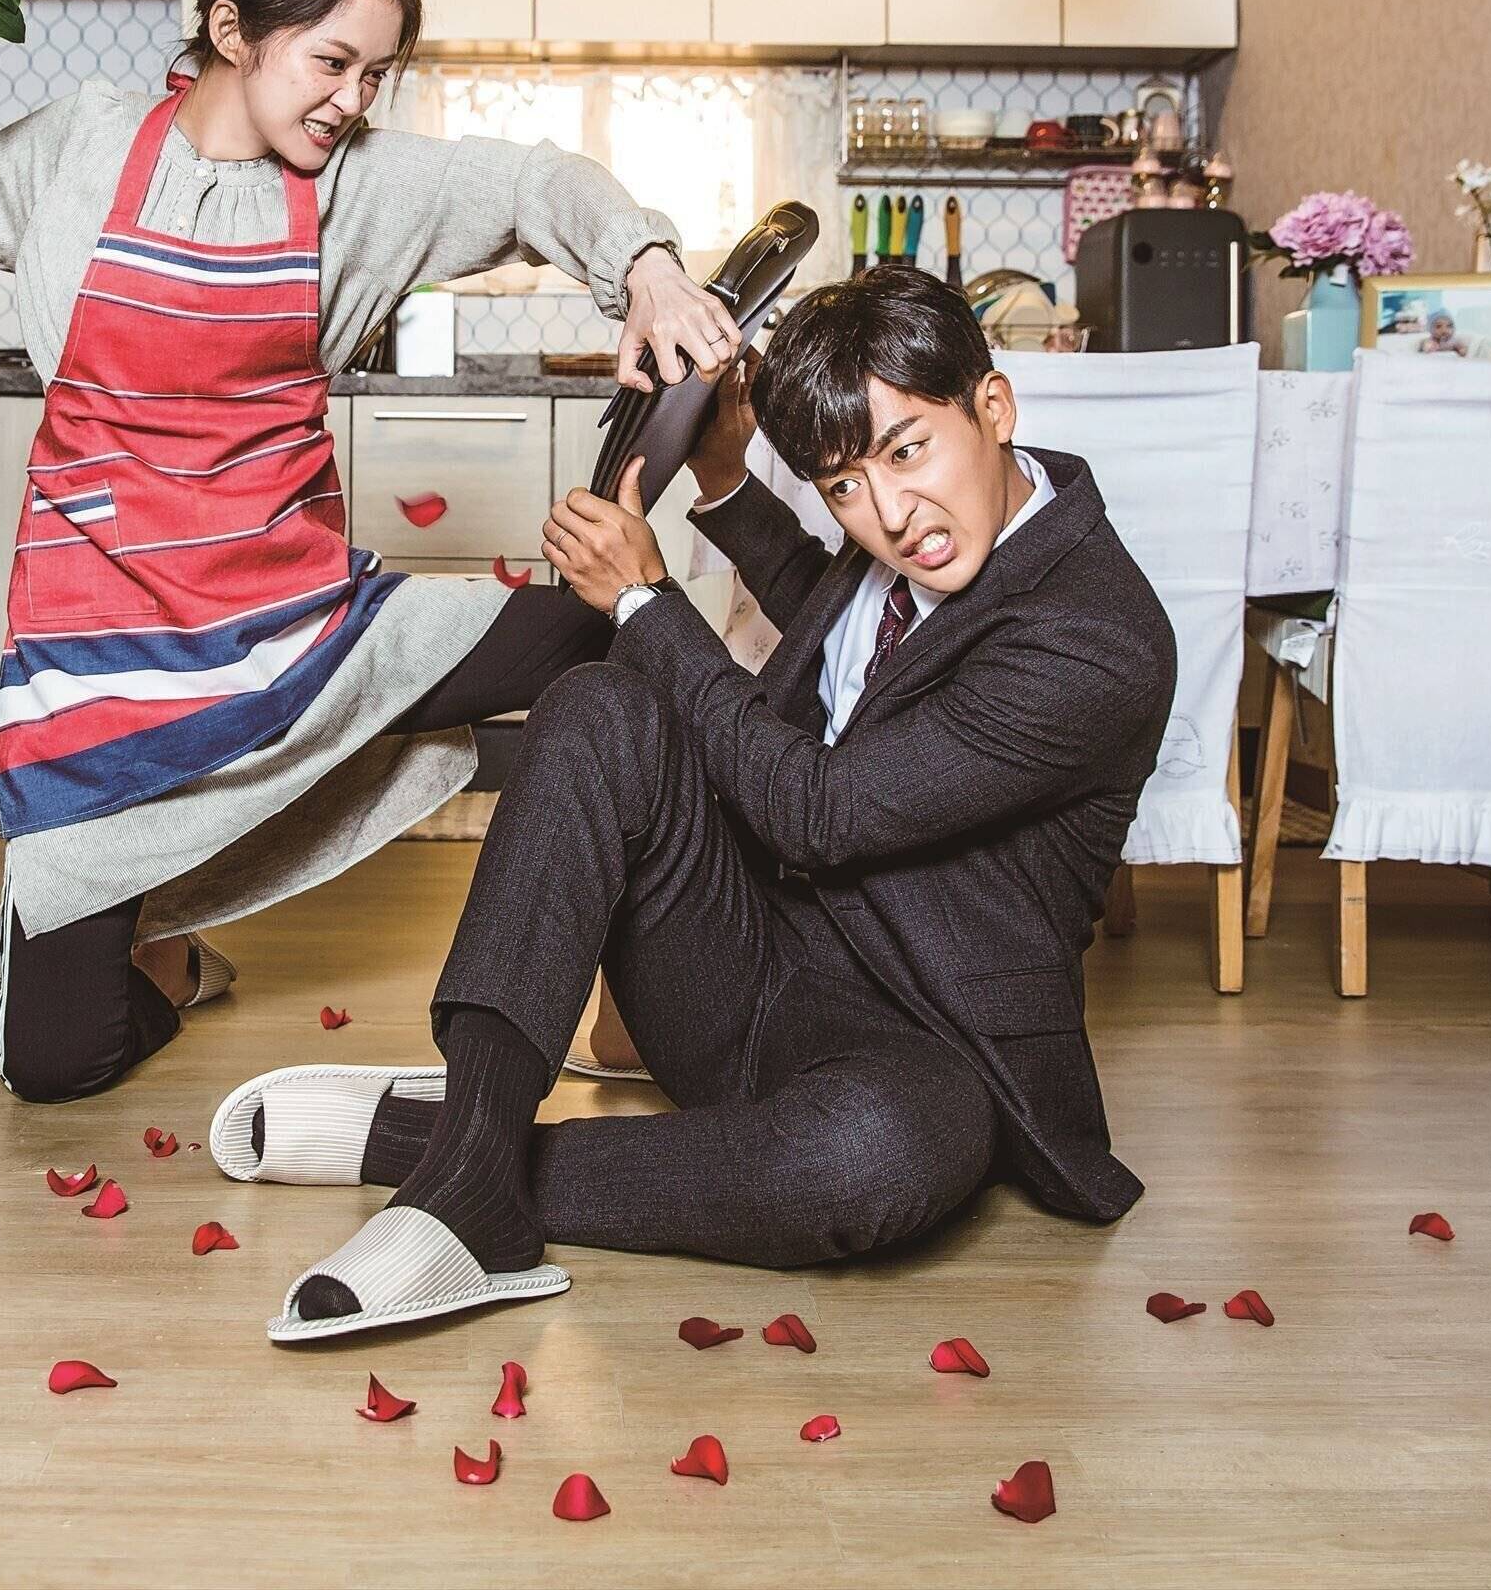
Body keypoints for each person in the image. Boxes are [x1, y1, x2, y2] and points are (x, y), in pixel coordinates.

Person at [0, 0, 741, 1105]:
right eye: (332, 62)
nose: (354, 99)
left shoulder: (361, 188)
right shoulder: (82, 147)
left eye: (377, 73)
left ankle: (640, 997)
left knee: (619, 625)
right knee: (56, 1065)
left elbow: (535, 181)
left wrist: (644, 264)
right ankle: (163, 949)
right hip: (98, 659)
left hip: (301, 623)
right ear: (231, 30)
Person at [208, 265, 1179, 1341]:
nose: (893, 516)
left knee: (866, 1161)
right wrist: (722, 477)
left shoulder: (1096, 637)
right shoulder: (927, 540)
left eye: (908, 451)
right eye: (843, 486)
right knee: (598, 706)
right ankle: (472, 1162)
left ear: (993, 407)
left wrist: (644, 599)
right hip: (743, 964)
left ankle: (447, 1145)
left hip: (925, 1043)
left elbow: (823, 809)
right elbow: (849, 625)